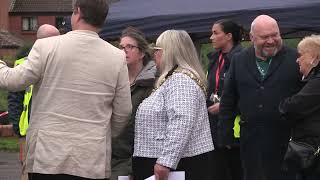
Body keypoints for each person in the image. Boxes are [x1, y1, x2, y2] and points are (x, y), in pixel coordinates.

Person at [0, 0, 132, 179]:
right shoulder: (117, 57)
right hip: (91, 157)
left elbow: (12, 80)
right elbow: (123, 111)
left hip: (47, 156)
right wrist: (103, 132)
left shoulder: (46, 46)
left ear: (77, 13)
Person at [218, 15, 304, 180]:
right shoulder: (238, 60)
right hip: (251, 142)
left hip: (288, 143)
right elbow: (228, 100)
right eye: (265, 37)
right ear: (251, 38)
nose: (271, 41)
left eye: (275, 35)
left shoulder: (296, 59)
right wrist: (226, 135)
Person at [132, 30, 214, 180]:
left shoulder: (180, 81)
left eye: (157, 50)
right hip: (169, 161)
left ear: (169, 53)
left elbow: (182, 120)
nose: (154, 54)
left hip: (173, 165)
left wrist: (166, 161)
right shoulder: (174, 79)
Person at [7, 24, 60, 180]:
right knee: (28, 172)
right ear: (40, 42)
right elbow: (14, 99)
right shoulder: (23, 63)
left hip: (52, 131)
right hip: (28, 130)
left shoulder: (59, 63)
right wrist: (18, 127)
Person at [111, 27, 157, 180]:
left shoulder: (153, 82)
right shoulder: (113, 79)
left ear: (142, 53)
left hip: (138, 157)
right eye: (121, 47)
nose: (124, 51)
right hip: (111, 154)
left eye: (130, 47)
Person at [279, 35, 320, 180]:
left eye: (301, 55)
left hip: (313, 151)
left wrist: (284, 104)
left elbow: (292, 107)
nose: (297, 60)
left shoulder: (317, 82)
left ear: (313, 57)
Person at [206, 19, 243, 180]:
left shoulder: (243, 59)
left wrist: (224, 106)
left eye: (215, 33)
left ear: (228, 36)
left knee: (235, 173)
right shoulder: (214, 59)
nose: (211, 37)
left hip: (236, 132)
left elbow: (250, 94)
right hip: (214, 129)